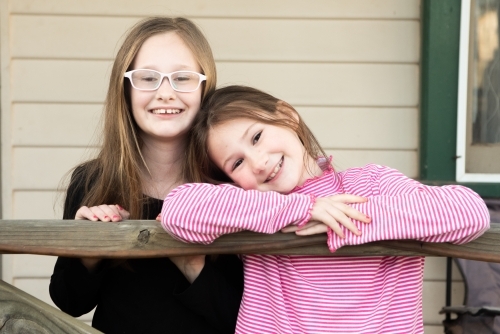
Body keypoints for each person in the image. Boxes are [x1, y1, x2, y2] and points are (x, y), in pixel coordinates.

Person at [161, 85, 491, 334]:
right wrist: (302, 209)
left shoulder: (370, 184)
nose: (258, 163)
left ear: (287, 116)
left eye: (257, 137)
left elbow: (469, 211)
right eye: (237, 163)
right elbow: (178, 210)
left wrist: (347, 219)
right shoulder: (252, 206)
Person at [49, 17, 243, 334]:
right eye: (148, 78)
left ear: (205, 87)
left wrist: (192, 264)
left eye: (182, 78)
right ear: (124, 89)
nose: (165, 93)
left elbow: (242, 316)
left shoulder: (232, 185)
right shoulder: (92, 181)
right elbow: (69, 301)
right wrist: (86, 253)